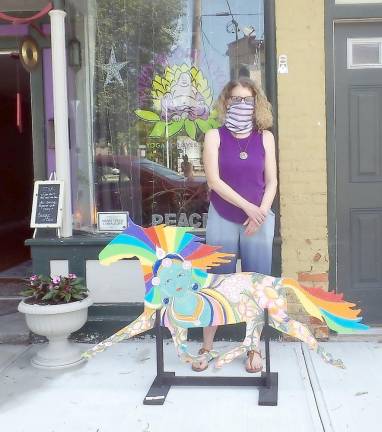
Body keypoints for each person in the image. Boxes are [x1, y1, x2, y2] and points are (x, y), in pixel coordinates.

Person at [192, 77, 277, 373]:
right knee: (217, 282)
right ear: (226, 102)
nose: (241, 105)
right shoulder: (214, 136)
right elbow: (214, 181)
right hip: (224, 216)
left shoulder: (265, 137)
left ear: (257, 104)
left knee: (256, 285)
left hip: (259, 220)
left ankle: (253, 348)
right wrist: (249, 209)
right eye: (236, 100)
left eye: (247, 100)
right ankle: (206, 347)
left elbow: (272, 181)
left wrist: (261, 213)